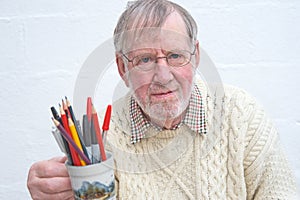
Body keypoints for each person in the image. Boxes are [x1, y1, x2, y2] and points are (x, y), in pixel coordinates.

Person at [27, 0, 297, 199]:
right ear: (123, 68)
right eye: (144, 59)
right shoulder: (99, 138)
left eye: (175, 56)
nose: (163, 75)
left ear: (196, 55)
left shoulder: (243, 116)